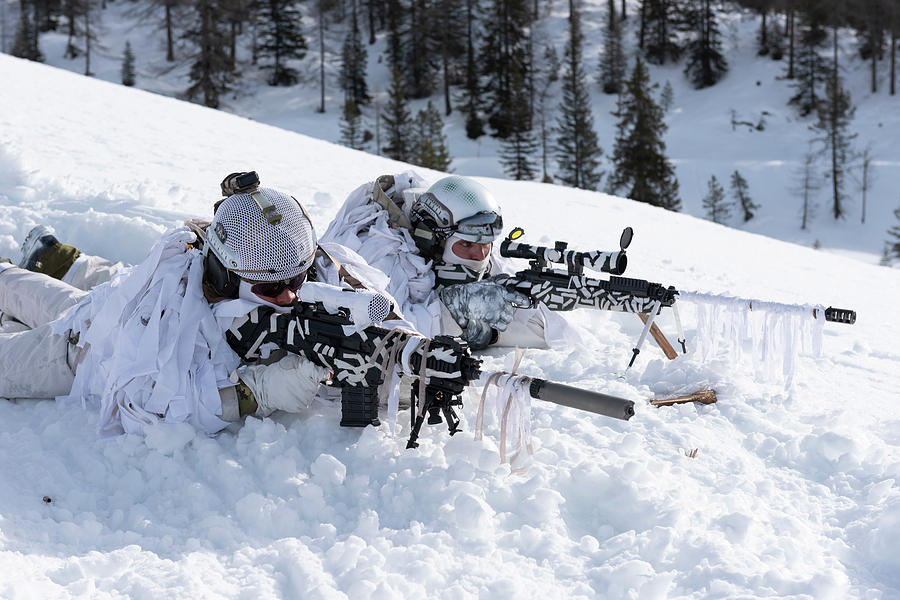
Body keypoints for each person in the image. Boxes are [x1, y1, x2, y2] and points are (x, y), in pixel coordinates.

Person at [0, 174, 392, 437]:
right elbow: (150, 400)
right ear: (226, 275)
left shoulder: (275, 275)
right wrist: (259, 393)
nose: (290, 297)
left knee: (39, 295)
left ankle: (39, 262)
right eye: (271, 289)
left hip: (98, 311)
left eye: (297, 281)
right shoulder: (178, 296)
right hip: (83, 350)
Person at [320, 172, 579, 350]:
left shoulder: (481, 249)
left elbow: (548, 330)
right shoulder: (382, 252)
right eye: (465, 245)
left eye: (486, 246)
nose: (479, 257)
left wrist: (489, 335)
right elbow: (382, 335)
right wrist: (453, 311)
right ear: (432, 240)